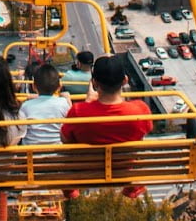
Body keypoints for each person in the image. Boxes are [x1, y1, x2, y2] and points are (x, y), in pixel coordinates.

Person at [61, 54, 153, 198]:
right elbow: (144, 132)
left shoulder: (78, 111)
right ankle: (132, 187)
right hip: (123, 170)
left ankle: (71, 190)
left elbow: (65, 140)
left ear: (94, 83)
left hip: (87, 171)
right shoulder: (140, 110)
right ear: (125, 81)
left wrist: (88, 103)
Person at [17, 63, 69, 145]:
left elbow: (20, 131)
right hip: (58, 152)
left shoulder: (26, 106)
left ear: (34, 87)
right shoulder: (63, 103)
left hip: (31, 153)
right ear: (59, 87)